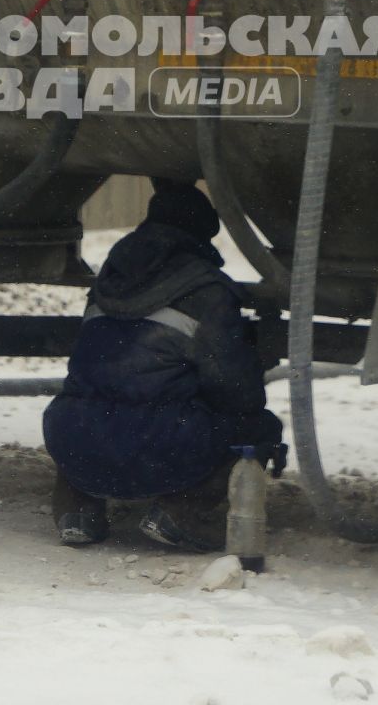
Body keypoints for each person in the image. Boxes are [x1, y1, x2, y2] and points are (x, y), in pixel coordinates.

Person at [42, 181, 284, 551]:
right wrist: (250, 358)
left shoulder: (109, 281)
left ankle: (78, 512)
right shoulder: (207, 292)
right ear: (202, 237)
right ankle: (177, 512)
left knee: (88, 411)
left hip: (72, 439)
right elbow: (237, 393)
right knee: (258, 427)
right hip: (158, 447)